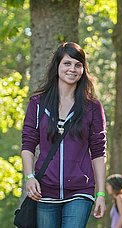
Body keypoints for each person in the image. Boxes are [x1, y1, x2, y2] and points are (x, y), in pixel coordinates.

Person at [21, 42, 107, 227]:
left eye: (78, 65)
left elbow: (99, 152)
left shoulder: (92, 107)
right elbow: (28, 145)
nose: (72, 69)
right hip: (45, 190)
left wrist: (100, 193)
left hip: (80, 191)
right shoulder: (38, 104)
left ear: (83, 69)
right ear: (57, 66)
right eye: (67, 63)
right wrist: (29, 177)